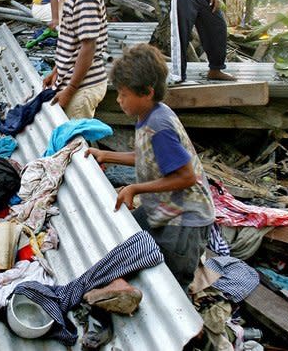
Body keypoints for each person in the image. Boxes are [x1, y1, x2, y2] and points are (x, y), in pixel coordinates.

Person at [85, 44, 215, 290]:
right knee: (130, 238)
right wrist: (105, 155)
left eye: (124, 94)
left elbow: (186, 177)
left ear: (146, 92)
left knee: (171, 283)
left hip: (184, 222)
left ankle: (182, 324)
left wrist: (136, 188)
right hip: (166, 207)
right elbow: (146, 156)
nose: (119, 100)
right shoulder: (148, 115)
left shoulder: (160, 126)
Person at [38, 0, 109, 119]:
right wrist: (56, 71)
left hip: (84, 88)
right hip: (72, 82)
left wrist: (70, 90)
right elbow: (72, 43)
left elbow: (88, 47)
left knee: (74, 145)